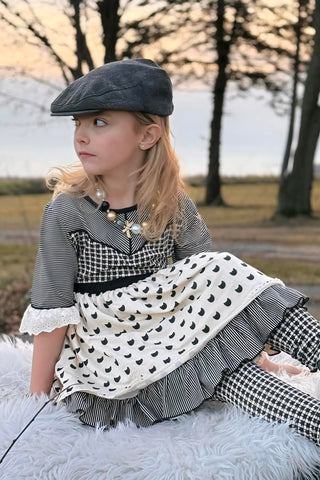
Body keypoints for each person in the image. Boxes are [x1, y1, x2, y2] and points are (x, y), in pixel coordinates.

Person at [20, 59, 319, 446]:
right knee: (220, 273)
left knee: (221, 282)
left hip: (173, 334)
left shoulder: (171, 203)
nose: (80, 136)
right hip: (113, 353)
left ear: (147, 136)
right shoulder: (66, 212)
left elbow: (215, 298)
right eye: (77, 123)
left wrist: (257, 357)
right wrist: (35, 401)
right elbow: (52, 309)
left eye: (99, 123)